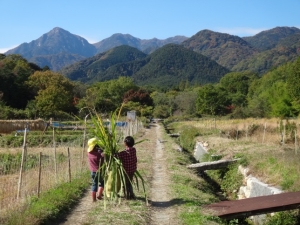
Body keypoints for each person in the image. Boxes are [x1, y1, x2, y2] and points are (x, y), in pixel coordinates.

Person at [87, 137, 105, 202]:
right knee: (103, 182)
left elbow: (98, 153)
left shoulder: (89, 153)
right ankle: (99, 195)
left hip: (93, 172)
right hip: (99, 172)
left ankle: (94, 199)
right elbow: (103, 156)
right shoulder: (99, 154)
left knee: (94, 184)